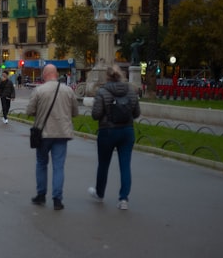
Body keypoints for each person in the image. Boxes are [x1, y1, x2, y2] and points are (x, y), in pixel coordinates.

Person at [25, 63, 79, 210]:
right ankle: (57, 200)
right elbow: (75, 112)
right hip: (62, 133)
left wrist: (40, 112)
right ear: (56, 74)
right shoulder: (68, 91)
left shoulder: (39, 90)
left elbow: (29, 111)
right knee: (59, 166)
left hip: (43, 133)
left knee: (41, 164)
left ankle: (41, 195)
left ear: (45, 75)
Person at [88, 64, 140, 210]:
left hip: (108, 131)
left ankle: (100, 193)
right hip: (127, 131)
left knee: (103, 164)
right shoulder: (130, 90)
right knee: (125, 166)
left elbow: (96, 115)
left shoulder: (102, 91)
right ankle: (124, 199)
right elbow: (136, 113)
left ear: (107, 76)